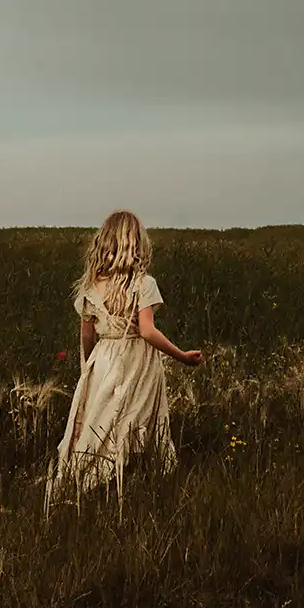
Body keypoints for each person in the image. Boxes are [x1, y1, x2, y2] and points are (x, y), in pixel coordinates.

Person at [46, 210, 203, 506]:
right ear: (137, 243)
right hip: (137, 362)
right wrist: (182, 356)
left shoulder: (92, 286)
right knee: (137, 420)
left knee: (100, 420)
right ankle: (134, 483)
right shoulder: (144, 283)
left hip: (103, 358)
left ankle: (88, 480)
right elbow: (146, 331)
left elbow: (87, 335)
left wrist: (90, 367)